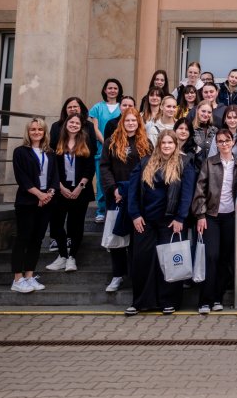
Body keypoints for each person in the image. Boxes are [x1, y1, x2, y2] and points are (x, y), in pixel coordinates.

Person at [124, 130, 196, 316]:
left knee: (170, 261)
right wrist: (135, 215)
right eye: (163, 143)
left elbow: (187, 193)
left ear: (175, 145)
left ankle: (168, 301)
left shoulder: (184, 163)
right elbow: (132, 191)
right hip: (145, 220)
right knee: (142, 260)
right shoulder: (145, 162)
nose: (166, 146)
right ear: (158, 144)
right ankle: (141, 302)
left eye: (170, 143)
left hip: (171, 222)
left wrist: (180, 217)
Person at [99, 108, 152, 293]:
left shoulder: (146, 143)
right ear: (122, 122)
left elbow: (151, 168)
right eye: (127, 120)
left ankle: (135, 275)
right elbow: (104, 168)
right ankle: (117, 275)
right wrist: (113, 189)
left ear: (138, 123)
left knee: (137, 237)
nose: (130, 123)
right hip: (117, 196)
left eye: (134, 120)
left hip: (138, 197)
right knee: (117, 238)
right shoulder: (111, 142)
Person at [191, 128, 237, 313]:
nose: (224, 144)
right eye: (220, 141)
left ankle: (217, 299)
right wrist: (200, 215)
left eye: (227, 140)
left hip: (231, 217)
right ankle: (205, 300)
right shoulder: (209, 162)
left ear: (232, 142)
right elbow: (200, 190)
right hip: (211, 216)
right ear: (217, 144)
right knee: (211, 256)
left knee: (224, 258)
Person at [10, 118, 59, 293]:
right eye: (33, 129)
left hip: (46, 202)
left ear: (45, 132)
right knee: (23, 239)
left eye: (40, 129)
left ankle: (29, 276)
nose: (36, 132)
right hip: (27, 201)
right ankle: (17, 279)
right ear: (28, 132)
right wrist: (39, 194)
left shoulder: (50, 153)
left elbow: (55, 176)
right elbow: (22, 178)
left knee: (37, 240)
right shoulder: (20, 152)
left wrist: (48, 194)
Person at [45, 114, 94, 273]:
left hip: (80, 191)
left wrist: (80, 187)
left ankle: (72, 257)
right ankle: (62, 255)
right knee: (56, 225)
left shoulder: (85, 142)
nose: (74, 125)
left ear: (81, 126)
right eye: (71, 122)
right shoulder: (57, 143)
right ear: (66, 124)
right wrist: (60, 187)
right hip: (60, 191)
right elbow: (52, 168)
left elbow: (90, 168)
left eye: (77, 123)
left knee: (76, 225)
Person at [89, 78, 124, 223]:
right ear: (105, 90)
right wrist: (107, 143)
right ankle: (101, 210)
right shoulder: (97, 107)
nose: (112, 90)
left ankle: (116, 208)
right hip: (102, 149)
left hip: (120, 150)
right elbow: (95, 128)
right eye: (110, 88)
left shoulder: (122, 106)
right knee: (101, 182)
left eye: (115, 88)